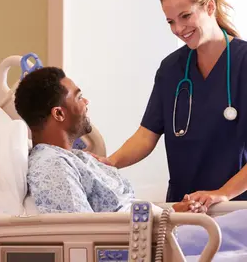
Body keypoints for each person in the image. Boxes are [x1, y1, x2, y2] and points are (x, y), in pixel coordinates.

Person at [90, 0, 247, 208]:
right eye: (171, 21)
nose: (179, 28)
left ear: (210, 7)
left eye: (185, 16)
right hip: (183, 206)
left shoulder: (243, 62)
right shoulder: (171, 69)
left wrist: (222, 193)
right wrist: (111, 162)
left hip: (236, 207)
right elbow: (146, 135)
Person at [14, 66, 201, 214]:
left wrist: (170, 213)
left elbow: (122, 212)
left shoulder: (75, 158)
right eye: (79, 97)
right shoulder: (52, 167)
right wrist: (167, 221)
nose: (86, 102)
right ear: (59, 113)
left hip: (154, 234)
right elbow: (83, 234)